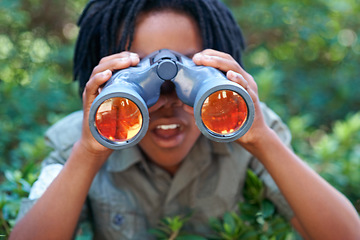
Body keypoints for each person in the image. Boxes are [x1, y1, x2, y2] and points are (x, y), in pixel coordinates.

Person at [10, 0, 360, 239]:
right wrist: (89, 150)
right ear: (100, 75)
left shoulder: (248, 127)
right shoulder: (79, 138)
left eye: (192, 68)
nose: (168, 96)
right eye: (137, 71)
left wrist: (261, 140)